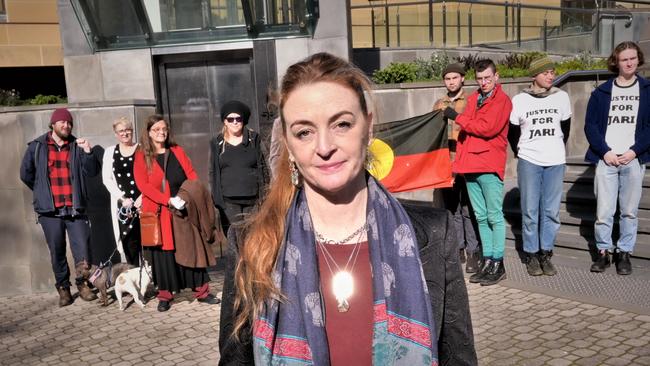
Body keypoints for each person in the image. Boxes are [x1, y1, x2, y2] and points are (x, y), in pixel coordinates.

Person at [219, 53, 477, 365]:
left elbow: (459, 358)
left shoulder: (434, 235)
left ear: (367, 128)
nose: (325, 146)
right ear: (288, 141)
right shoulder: (251, 243)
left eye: (341, 124)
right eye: (304, 131)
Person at [134, 115, 220, 312]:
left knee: (191, 248)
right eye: (156, 129)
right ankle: (165, 295)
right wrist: (167, 200)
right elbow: (143, 185)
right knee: (164, 256)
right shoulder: (142, 155)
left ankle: (202, 291)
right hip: (159, 212)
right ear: (148, 132)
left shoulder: (177, 150)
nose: (161, 133)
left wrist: (185, 197)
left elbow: (191, 176)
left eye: (164, 129)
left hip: (182, 210)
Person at [20, 107, 100, 307]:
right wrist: (41, 192)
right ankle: (63, 288)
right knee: (57, 250)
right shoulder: (37, 146)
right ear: (53, 124)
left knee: (82, 249)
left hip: (75, 208)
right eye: (63, 122)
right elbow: (26, 174)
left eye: (69, 123)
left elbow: (91, 172)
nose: (67, 125)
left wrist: (88, 152)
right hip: (50, 211)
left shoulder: (76, 145)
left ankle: (83, 284)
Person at [443, 59, 513, 286]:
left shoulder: (502, 100)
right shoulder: (473, 99)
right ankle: (487, 260)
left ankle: (497, 261)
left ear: (496, 76)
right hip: (470, 165)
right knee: (481, 217)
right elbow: (472, 126)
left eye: (487, 78)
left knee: (494, 216)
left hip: (488, 164)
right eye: (480, 78)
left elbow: (486, 128)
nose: (484, 82)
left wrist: (458, 117)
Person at [585, 41, 650, 275]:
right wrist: (605, 152)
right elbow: (590, 126)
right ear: (616, 62)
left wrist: (634, 151)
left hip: (633, 159)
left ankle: (624, 253)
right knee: (604, 212)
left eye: (633, 58)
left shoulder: (647, 89)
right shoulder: (602, 92)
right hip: (607, 159)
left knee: (629, 211)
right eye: (624, 59)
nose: (629, 62)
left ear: (638, 60)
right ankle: (604, 253)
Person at [509, 57, 572, 277]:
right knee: (530, 210)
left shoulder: (561, 97)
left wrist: (553, 149)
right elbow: (513, 133)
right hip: (529, 160)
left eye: (553, 73)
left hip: (555, 160)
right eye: (546, 73)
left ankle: (546, 252)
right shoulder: (520, 100)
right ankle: (531, 254)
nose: (551, 76)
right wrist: (524, 152)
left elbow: (565, 129)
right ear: (534, 75)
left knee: (551, 211)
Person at [434, 62, 482, 273]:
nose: (451, 81)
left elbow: (474, 127)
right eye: (447, 78)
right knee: (452, 208)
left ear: (462, 78)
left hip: (467, 161)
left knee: (468, 209)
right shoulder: (439, 103)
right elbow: (432, 131)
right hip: (446, 164)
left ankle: (473, 250)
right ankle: (459, 247)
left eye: (455, 77)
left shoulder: (471, 100)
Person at [209, 101, 268, 235]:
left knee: (252, 235)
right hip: (228, 201)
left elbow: (264, 166)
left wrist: (266, 193)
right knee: (234, 236)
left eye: (238, 119)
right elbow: (212, 171)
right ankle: (237, 257)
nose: (235, 122)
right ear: (225, 122)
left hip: (253, 198)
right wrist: (215, 196)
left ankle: (250, 257)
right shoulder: (217, 142)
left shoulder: (254, 139)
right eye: (231, 119)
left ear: (243, 121)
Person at [101, 117, 143, 266]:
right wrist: (122, 198)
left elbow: (152, 175)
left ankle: (153, 280)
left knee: (148, 243)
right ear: (115, 133)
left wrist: (143, 197)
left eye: (127, 130)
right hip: (123, 206)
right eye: (121, 131)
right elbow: (107, 179)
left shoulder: (142, 148)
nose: (125, 133)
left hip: (143, 203)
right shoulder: (110, 152)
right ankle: (134, 282)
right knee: (129, 244)